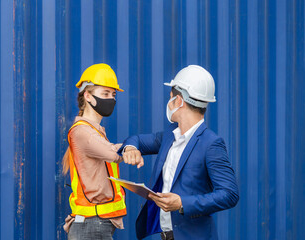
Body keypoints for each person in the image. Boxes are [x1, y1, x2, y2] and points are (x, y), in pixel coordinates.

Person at [120, 65, 239, 240]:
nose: (168, 103)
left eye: (170, 98)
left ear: (179, 101)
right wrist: (130, 148)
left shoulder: (211, 144)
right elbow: (136, 139)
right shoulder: (169, 135)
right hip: (166, 236)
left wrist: (182, 203)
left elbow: (230, 194)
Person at [62, 63, 128, 240]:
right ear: (88, 96)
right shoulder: (82, 131)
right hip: (92, 223)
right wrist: (134, 146)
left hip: (96, 223)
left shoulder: (95, 131)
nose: (111, 99)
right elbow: (114, 154)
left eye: (113, 95)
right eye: (105, 93)